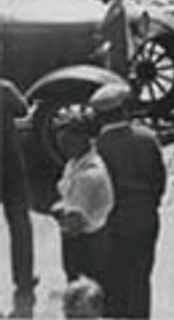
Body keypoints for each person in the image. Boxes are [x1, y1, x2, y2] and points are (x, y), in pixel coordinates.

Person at [88, 83, 165, 319]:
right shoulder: (147, 137)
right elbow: (159, 178)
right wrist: (151, 201)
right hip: (145, 215)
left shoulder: (98, 146)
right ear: (124, 110)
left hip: (114, 220)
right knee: (140, 277)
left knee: (114, 278)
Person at [50, 106, 113, 286]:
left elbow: (74, 226)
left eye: (68, 142)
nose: (63, 147)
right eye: (60, 142)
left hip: (86, 246)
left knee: (83, 292)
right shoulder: (74, 163)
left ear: (83, 138)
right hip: (85, 240)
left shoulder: (88, 176)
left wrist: (59, 212)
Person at [2, 77, 35, 316]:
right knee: (20, 224)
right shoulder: (4, 88)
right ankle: (23, 278)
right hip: (10, 166)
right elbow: (22, 109)